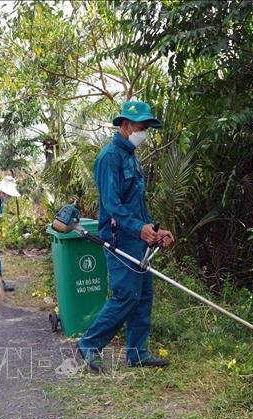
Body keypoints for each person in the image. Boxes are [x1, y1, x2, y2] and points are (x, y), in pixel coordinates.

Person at [76, 100, 175, 372]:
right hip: (120, 237)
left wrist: (153, 230)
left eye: (146, 126)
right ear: (125, 124)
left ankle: (137, 352)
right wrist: (137, 228)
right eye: (141, 125)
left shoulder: (131, 155)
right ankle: (89, 344)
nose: (144, 130)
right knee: (126, 295)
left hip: (138, 236)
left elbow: (136, 203)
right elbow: (112, 205)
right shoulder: (110, 157)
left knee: (143, 294)